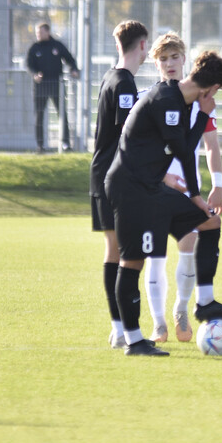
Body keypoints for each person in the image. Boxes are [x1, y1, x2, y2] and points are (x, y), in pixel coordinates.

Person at [104, 51, 222, 357]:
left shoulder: (179, 102)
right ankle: (134, 339)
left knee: (209, 221)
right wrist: (195, 197)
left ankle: (205, 302)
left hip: (152, 187)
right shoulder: (167, 100)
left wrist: (187, 195)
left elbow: (182, 145)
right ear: (210, 89)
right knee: (133, 263)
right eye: (216, 92)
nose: (214, 98)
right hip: (130, 189)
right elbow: (182, 151)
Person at [141, 33, 222, 345]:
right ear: (156, 64)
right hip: (151, 189)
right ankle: (158, 324)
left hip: (188, 190)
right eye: (163, 59)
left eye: (174, 57)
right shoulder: (147, 98)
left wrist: (218, 185)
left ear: (184, 59)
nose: (169, 63)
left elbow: (211, 146)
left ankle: (181, 308)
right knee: (155, 256)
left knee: (188, 250)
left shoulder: (200, 100)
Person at [91, 20, 149, 350]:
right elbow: (129, 134)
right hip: (115, 178)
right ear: (142, 46)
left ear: (118, 45)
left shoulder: (110, 78)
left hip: (102, 174)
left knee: (114, 251)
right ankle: (123, 328)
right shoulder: (124, 84)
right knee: (125, 253)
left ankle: (119, 328)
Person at [26, 22, 80, 152]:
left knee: (62, 113)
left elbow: (69, 59)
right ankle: (40, 145)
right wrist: (35, 74)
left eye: (41, 32)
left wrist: (74, 69)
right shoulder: (34, 48)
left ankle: (65, 143)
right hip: (40, 87)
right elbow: (29, 64)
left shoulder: (57, 45)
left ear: (48, 32)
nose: (38, 35)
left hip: (57, 85)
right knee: (39, 115)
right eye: (37, 33)